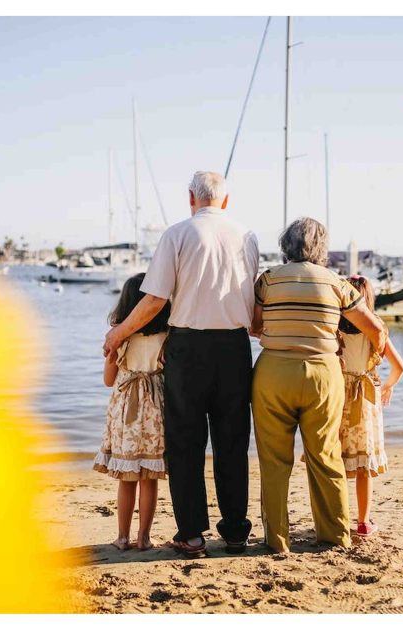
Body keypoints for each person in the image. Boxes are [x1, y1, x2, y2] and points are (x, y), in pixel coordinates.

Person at [103, 171, 258, 559]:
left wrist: (119, 333)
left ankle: (191, 535)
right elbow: (254, 307)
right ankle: (236, 532)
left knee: (186, 444)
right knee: (232, 442)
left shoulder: (177, 234)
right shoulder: (248, 236)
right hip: (235, 347)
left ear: (191, 197)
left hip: (187, 347)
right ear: (226, 200)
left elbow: (154, 300)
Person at [249, 217, 387, 553]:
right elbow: (376, 330)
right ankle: (334, 535)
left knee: (274, 461)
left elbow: (254, 326)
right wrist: (373, 362)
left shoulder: (267, 280)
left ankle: (277, 539)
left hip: (273, 374)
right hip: (324, 376)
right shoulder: (338, 284)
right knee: (326, 457)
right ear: (322, 248)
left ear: (286, 245)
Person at [94, 273, 172, 552]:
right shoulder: (167, 336)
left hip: (125, 408)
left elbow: (107, 380)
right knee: (148, 478)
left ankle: (123, 537)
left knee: (127, 478)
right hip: (155, 409)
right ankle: (145, 538)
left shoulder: (120, 338)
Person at [336, 275, 403, 538]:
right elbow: (400, 367)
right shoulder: (376, 328)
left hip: (338, 396)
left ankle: (338, 519)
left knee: (337, 462)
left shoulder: (334, 327)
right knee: (364, 467)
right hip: (365, 399)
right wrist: (387, 386)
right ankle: (363, 522)